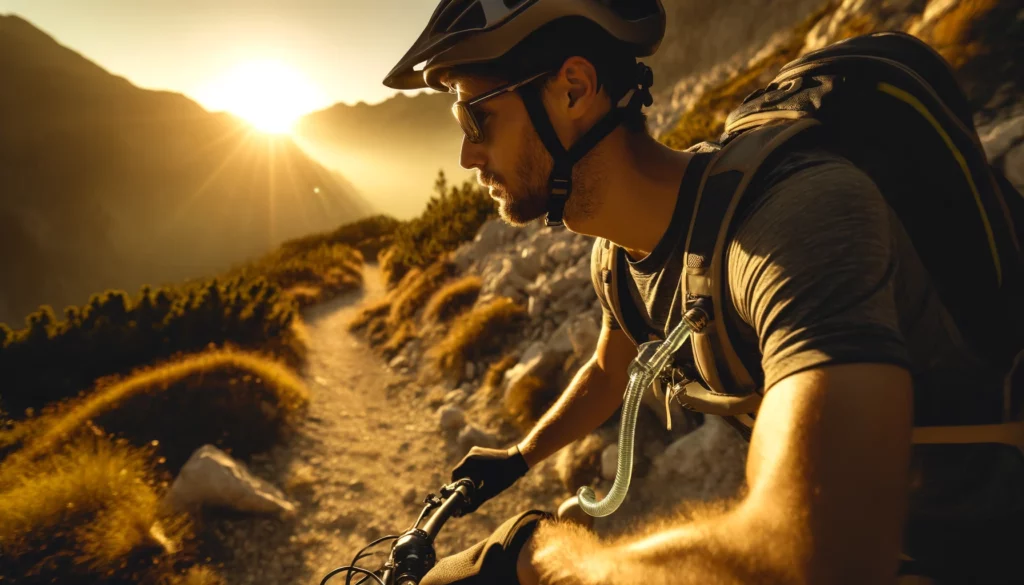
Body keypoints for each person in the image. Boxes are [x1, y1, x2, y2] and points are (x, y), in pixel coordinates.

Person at [382, 1, 1024, 583]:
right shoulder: (619, 259)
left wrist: (542, 559)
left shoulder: (791, 220)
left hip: (975, 541)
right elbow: (611, 369)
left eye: (477, 116)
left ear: (573, 89)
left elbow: (817, 554)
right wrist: (518, 458)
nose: (467, 155)